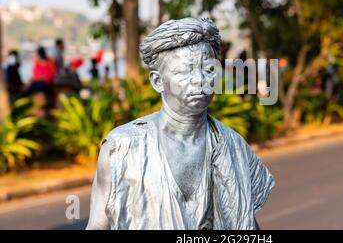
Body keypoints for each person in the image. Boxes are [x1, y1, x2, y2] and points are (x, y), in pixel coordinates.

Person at [87, 18, 275, 230]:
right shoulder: (121, 149)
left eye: (208, 69)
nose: (199, 79)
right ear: (158, 81)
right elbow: (97, 226)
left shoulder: (233, 146)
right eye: (184, 71)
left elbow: (247, 224)